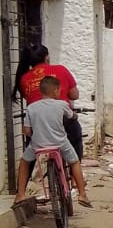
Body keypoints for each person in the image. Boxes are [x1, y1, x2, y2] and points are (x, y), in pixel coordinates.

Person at [13, 74, 91, 208]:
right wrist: (74, 115)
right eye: (59, 90)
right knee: (74, 161)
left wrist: (37, 134)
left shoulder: (31, 107)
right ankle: (82, 194)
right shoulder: (62, 104)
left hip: (38, 145)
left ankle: (20, 194)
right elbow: (71, 116)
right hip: (60, 143)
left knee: (24, 162)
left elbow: (26, 130)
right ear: (55, 91)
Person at [18, 44, 84, 165]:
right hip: (61, 120)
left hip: (37, 125)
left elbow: (29, 99)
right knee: (75, 140)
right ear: (46, 58)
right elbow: (74, 95)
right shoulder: (60, 69)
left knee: (28, 157)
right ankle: (75, 179)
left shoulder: (24, 79)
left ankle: (24, 182)